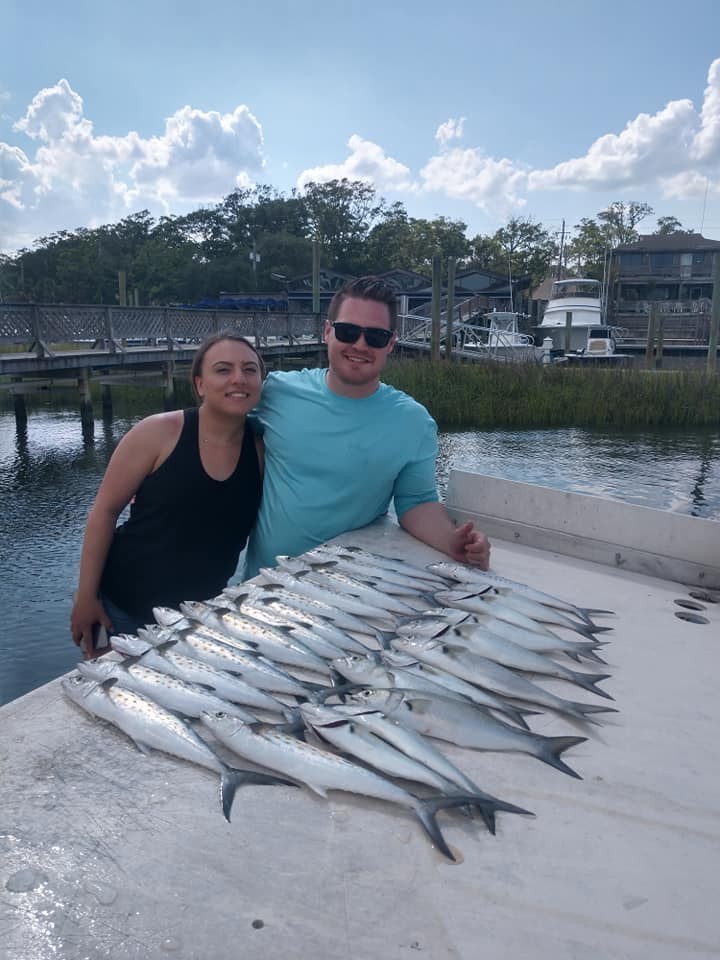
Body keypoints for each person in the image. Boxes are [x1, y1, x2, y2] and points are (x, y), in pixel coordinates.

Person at [243, 276, 490, 578]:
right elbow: (216, 426)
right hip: (261, 586)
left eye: (375, 337)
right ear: (327, 331)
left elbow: (416, 503)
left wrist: (452, 541)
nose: (360, 345)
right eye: (347, 331)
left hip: (348, 588)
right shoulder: (277, 392)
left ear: (391, 343)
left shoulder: (412, 422)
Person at [70, 333, 264, 659]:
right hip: (121, 609)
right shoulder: (159, 433)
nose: (238, 379)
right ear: (200, 384)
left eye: (249, 369)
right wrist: (86, 597)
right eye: (223, 369)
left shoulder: (260, 450)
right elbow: (104, 511)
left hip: (196, 619)